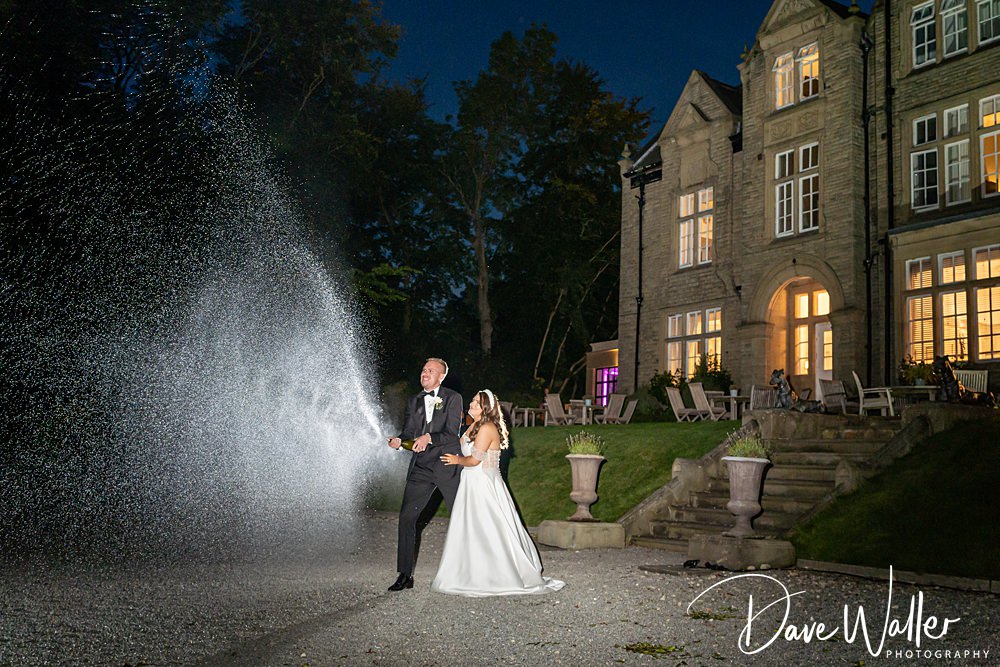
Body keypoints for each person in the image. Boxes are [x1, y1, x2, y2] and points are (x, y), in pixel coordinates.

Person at [430, 389, 564, 597]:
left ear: (485, 408)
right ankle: (469, 572)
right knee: (471, 528)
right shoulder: (473, 426)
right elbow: (457, 446)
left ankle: (496, 574)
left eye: (476, 402)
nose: (471, 404)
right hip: (471, 483)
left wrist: (457, 461)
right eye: (472, 400)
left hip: (484, 484)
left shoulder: (486, 428)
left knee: (488, 528)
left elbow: (475, 460)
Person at [386, 358, 463, 592]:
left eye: (431, 370)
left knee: (463, 517)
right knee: (407, 518)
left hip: (447, 464)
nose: (425, 373)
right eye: (423, 370)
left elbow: (452, 434)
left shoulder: (453, 398)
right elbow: (410, 433)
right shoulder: (415, 401)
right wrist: (400, 442)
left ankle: (470, 570)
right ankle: (404, 575)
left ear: (441, 377)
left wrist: (429, 437)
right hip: (421, 468)